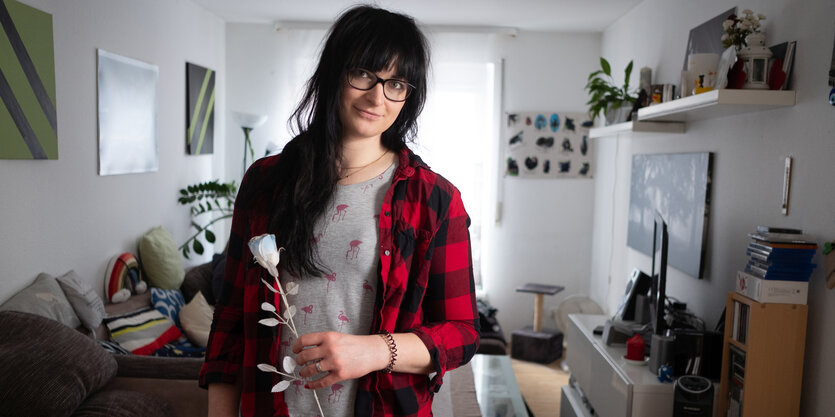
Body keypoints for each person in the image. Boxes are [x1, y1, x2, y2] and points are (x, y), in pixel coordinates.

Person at [199, 5, 480, 417]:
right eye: (364, 73)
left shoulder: (435, 199)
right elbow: (229, 322)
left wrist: (373, 351)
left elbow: (462, 334)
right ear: (334, 71)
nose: (376, 97)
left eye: (396, 84)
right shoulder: (265, 182)